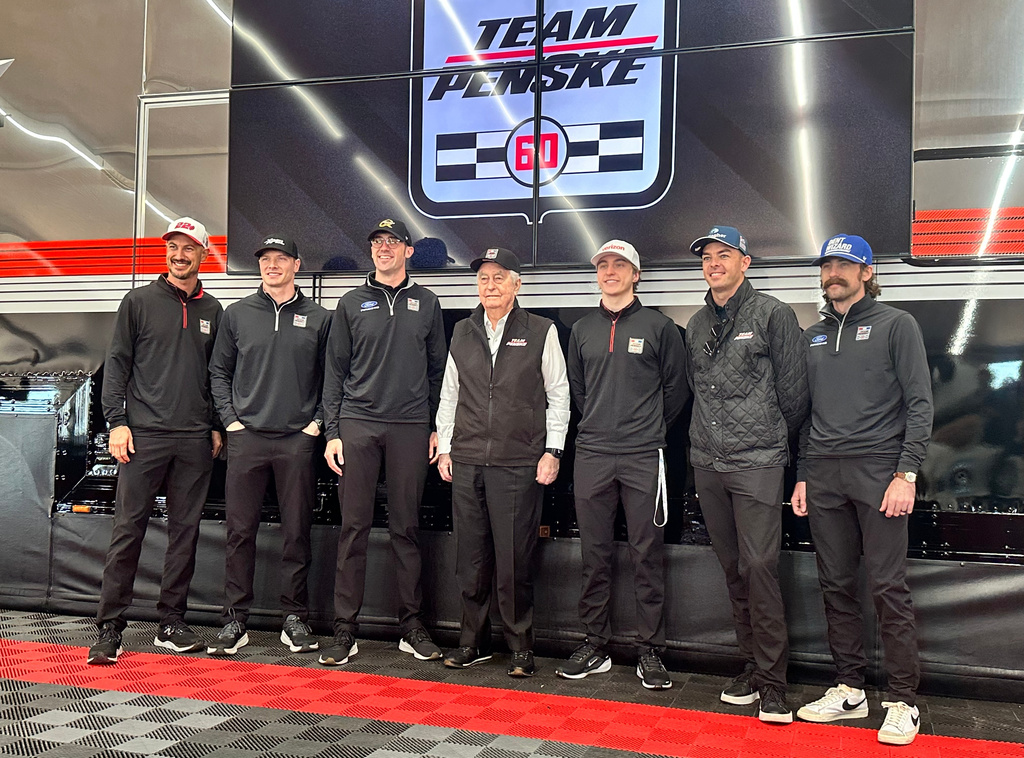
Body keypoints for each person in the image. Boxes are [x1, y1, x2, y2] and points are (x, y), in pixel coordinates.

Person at [791, 234, 933, 746]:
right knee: (835, 585)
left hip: (880, 472)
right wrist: (804, 472)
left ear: (867, 272)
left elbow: (920, 403)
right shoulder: (811, 335)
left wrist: (906, 473)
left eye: (845, 264)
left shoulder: (898, 325)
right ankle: (849, 688)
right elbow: (808, 415)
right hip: (824, 474)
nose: (834, 272)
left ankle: (902, 700)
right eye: (828, 264)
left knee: (888, 588)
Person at [684, 225, 809, 723]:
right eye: (708, 256)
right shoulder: (695, 323)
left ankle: (774, 684)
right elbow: (692, 388)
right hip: (708, 462)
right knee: (734, 569)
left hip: (758, 461)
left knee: (760, 567)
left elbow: (796, 396)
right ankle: (752, 668)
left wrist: (770, 436)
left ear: (746, 262)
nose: (714, 263)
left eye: (724, 254)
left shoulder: (773, 314)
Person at [88, 217, 223, 665]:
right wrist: (117, 422)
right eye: (173, 247)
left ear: (204, 255)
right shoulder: (139, 301)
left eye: (189, 249)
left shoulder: (214, 311)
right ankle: (110, 627)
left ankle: (171, 622)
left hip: (194, 440)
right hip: (143, 435)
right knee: (128, 531)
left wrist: (217, 426)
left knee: (185, 534)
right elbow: (116, 366)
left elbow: (216, 377)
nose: (179, 255)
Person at [557, 240, 689, 689]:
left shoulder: (660, 327)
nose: (610, 271)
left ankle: (650, 650)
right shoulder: (580, 329)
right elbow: (577, 392)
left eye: (620, 265)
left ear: (636, 274)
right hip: (591, 454)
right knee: (593, 555)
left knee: (646, 554)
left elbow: (676, 391)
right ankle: (595, 644)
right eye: (603, 265)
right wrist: (599, 427)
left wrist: (644, 427)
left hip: (643, 456)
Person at [317, 218, 447, 666]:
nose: (383, 248)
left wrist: (435, 427)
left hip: (410, 426)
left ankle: (411, 626)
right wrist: (333, 431)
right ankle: (344, 630)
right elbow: (334, 372)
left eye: (392, 242)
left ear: (408, 251)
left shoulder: (427, 303)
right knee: (353, 529)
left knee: (406, 528)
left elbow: (438, 373)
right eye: (376, 242)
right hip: (358, 425)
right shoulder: (351, 302)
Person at [436, 247, 570, 677]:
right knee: (470, 559)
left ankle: (520, 647)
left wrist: (553, 450)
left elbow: (559, 393)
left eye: (498, 278)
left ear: (516, 284)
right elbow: (450, 394)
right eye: (483, 279)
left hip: (518, 462)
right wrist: (445, 448)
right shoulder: (461, 331)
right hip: (469, 458)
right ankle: (471, 641)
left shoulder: (542, 330)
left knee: (514, 560)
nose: (489, 286)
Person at [207, 235, 331, 656]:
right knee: (239, 532)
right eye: (265, 259)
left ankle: (294, 618)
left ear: (297, 264)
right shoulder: (238, 314)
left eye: (281, 259)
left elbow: (333, 379)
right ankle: (235, 619)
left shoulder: (320, 318)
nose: (272, 265)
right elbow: (218, 374)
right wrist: (231, 422)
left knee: (297, 532)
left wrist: (316, 425)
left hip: (298, 440)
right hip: (247, 440)